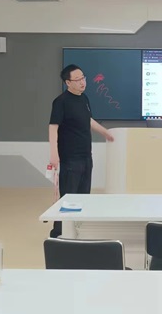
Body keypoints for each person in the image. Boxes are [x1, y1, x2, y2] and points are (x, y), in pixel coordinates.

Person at [48, 64, 115, 238]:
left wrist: (105, 132)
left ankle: (78, 228)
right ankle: (58, 232)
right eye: (77, 79)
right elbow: (53, 127)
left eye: (83, 78)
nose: (82, 82)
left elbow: (88, 120)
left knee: (84, 195)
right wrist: (54, 153)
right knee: (68, 197)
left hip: (86, 155)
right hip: (70, 157)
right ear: (68, 82)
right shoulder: (61, 102)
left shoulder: (84, 98)